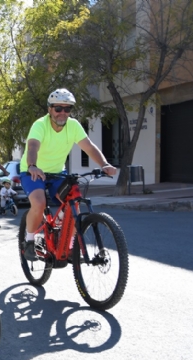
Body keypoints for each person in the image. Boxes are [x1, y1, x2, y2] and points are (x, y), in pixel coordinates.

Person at [21, 88, 117, 260]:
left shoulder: (73, 126)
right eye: (58, 109)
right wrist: (33, 166)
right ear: (50, 109)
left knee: (74, 203)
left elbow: (89, 147)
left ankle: (70, 243)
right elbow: (33, 146)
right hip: (33, 171)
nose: (63, 113)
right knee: (39, 202)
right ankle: (29, 241)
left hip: (57, 173)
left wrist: (104, 164)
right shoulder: (40, 125)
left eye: (67, 109)